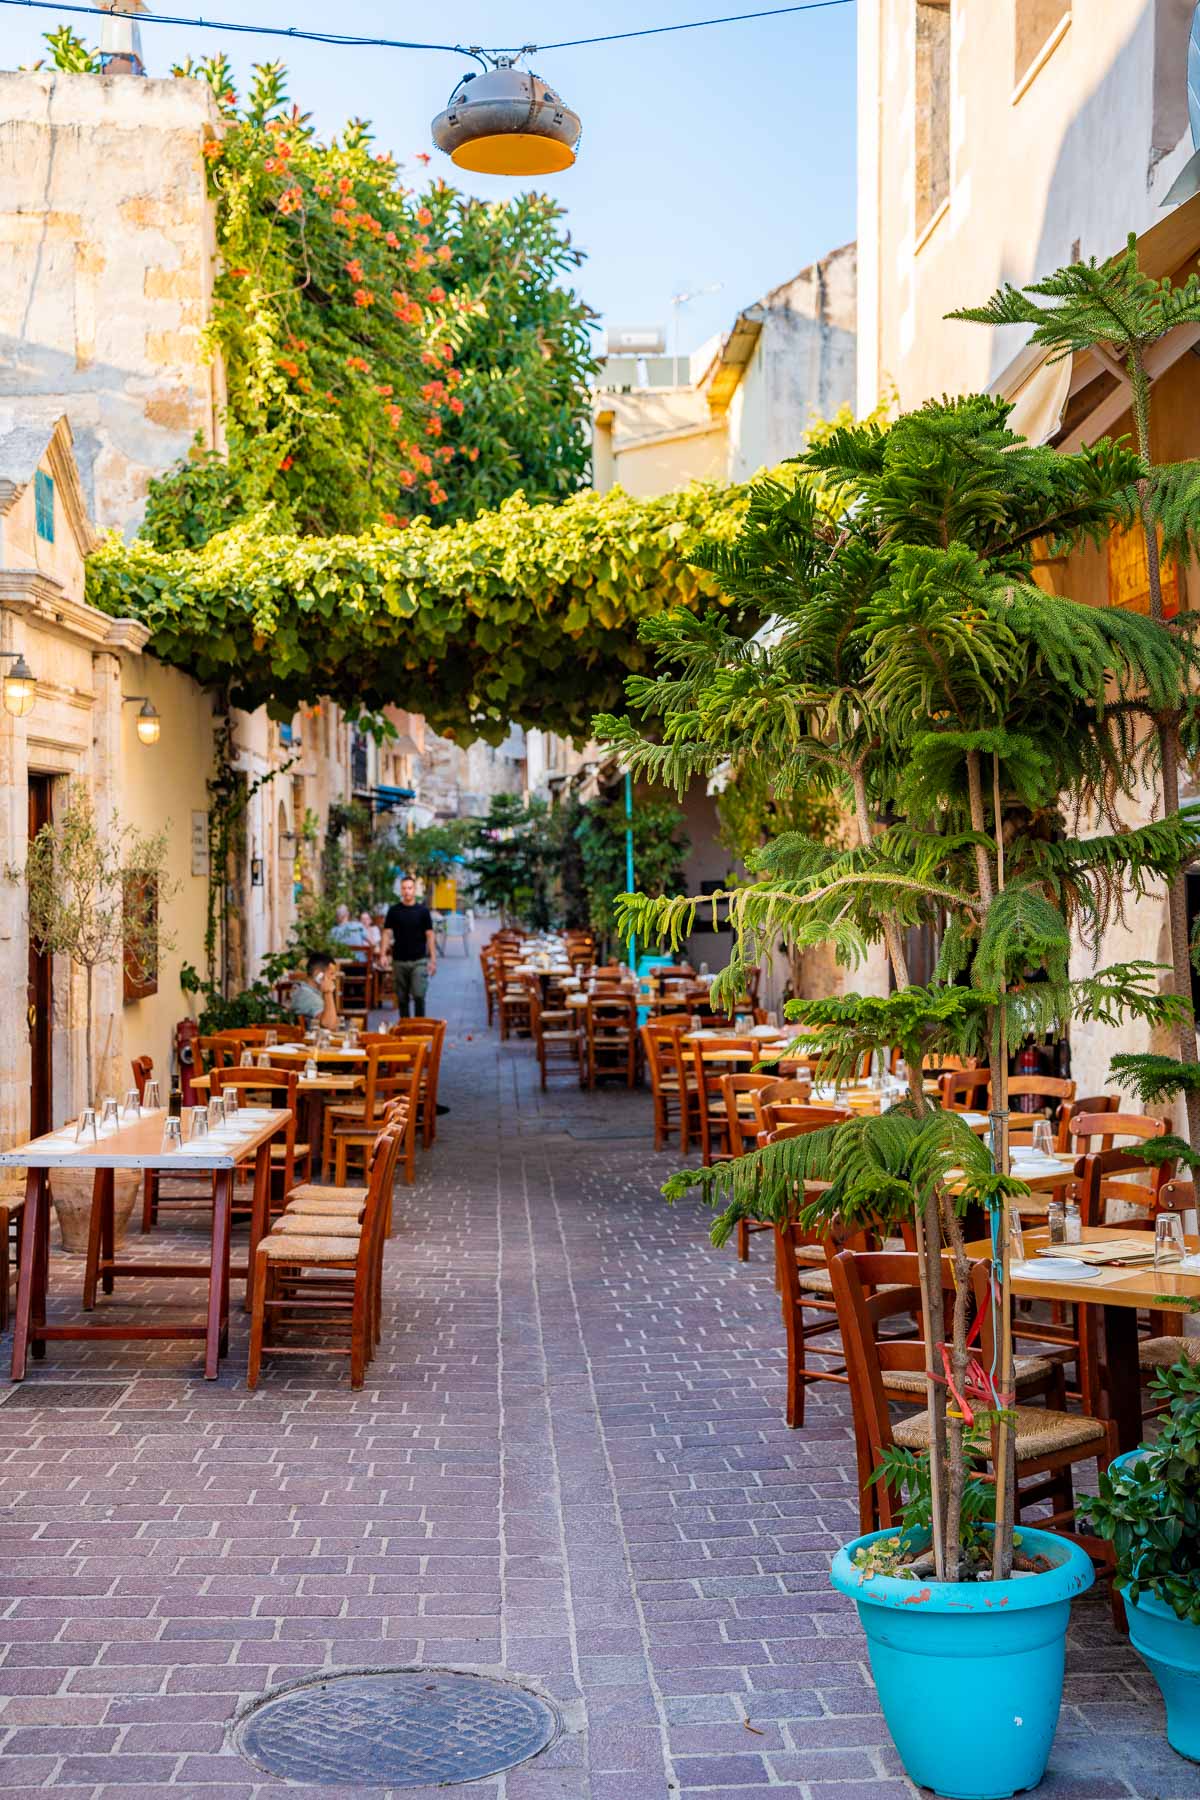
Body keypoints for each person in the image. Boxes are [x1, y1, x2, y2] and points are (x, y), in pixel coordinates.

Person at [383, 875, 436, 1017]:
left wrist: (433, 959)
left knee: (419, 995)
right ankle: (405, 1030)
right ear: (401, 891)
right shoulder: (394, 911)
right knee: (402, 999)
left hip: (419, 960)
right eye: (404, 888)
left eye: (410, 888)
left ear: (414, 890)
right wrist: (383, 954)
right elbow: (387, 933)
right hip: (399, 960)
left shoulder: (423, 911)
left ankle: (420, 1027)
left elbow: (430, 935)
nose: (407, 891)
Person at [288, 952, 340, 1030]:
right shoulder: (307, 996)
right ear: (318, 974)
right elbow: (329, 1025)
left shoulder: (305, 990)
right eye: (331, 973)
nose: (334, 978)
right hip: (311, 1041)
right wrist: (328, 992)